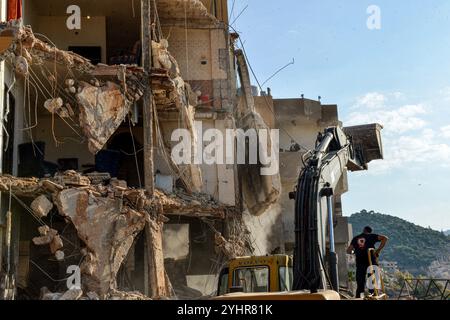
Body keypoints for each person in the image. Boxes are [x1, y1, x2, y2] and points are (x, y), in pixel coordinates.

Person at [347, 226, 388, 298]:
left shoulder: (356, 238)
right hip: (371, 261)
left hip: (360, 262)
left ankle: (359, 298)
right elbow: (385, 238)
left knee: (360, 284)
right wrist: (378, 250)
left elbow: (349, 250)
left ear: (364, 230)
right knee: (372, 284)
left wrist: (355, 252)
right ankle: (373, 297)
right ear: (370, 231)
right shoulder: (372, 236)